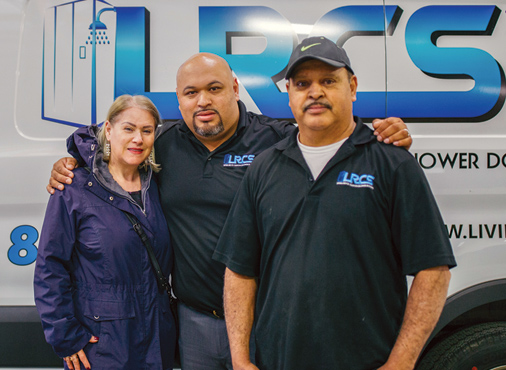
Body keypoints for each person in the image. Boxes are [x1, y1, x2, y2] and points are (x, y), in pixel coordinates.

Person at [47, 53, 413, 370]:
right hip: (194, 323)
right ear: (179, 100)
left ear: (235, 89)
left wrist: (382, 133)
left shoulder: (277, 139)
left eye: (214, 88)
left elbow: (330, 130)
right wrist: (72, 161)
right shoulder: (163, 144)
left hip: (264, 320)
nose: (203, 101)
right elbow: (109, 141)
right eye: (191, 93)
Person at [212, 37, 456, 370]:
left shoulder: (392, 164)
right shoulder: (265, 167)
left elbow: (433, 271)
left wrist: (401, 362)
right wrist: (240, 360)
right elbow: (239, 271)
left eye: (328, 81)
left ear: (352, 87)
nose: (315, 92)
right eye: (302, 83)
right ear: (290, 94)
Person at [34, 95, 176, 370]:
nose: (138, 138)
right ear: (108, 130)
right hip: (102, 344)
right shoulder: (73, 189)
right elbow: (50, 266)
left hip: (157, 338)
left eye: (146, 131)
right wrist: (66, 337)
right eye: (128, 128)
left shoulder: (158, 185)